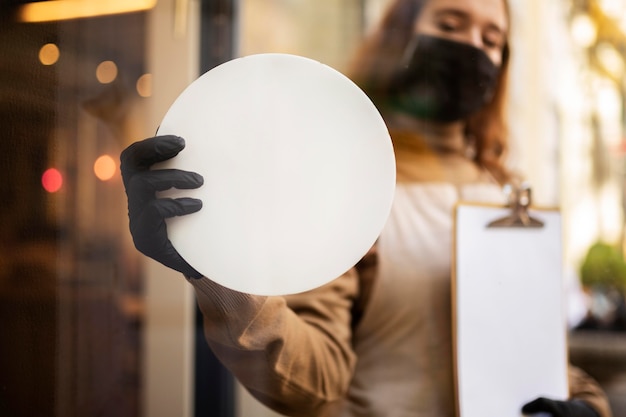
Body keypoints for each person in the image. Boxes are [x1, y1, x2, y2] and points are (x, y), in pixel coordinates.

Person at [120, 0, 613, 416]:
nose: (472, 47)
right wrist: (214, 268)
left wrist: (588, 403)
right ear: (401, 35)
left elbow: (527, 345)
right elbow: (315, 377)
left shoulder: (508, 191)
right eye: (449, 25)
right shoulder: (352, 183)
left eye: (491, 38)